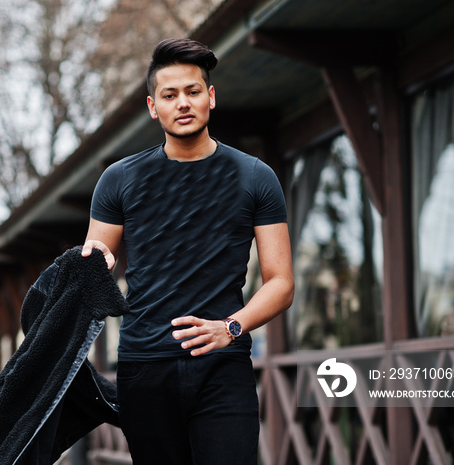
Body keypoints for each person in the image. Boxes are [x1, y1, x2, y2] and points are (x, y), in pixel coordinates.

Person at [81, 38, 294, 464]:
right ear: (151, 106)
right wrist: (94, 264)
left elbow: (282, 282)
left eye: (193, 91)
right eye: (170, 94)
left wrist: (230, 328)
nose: (183, 103)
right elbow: (94, 259)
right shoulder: (119, 180)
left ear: (210, 98)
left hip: (224, 364)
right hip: (144, 366)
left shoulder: (256, 176)